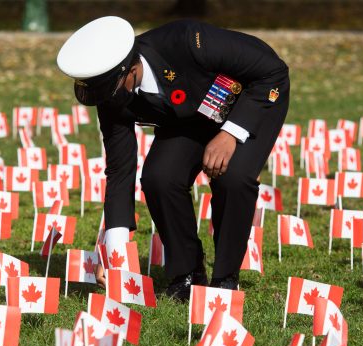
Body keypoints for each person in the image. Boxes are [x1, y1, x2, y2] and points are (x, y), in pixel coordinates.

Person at [57, 16, 289, 301]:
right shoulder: (111, 93)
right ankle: (188, 272)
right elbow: (119, 169)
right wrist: (114, 251)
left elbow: (272, 71)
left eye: (110, 90)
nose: (106, 100)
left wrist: (230, 133)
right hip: (193, 115)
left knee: (233, 177)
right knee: (160, 178)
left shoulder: (190, 41)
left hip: (250, 99)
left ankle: (226, 277)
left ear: (130, 70)